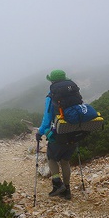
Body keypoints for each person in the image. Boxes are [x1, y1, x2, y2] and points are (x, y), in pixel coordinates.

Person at [36, 69, 81, 200]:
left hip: (60, 132)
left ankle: (57, 184)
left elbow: (47, 117)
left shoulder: (51, 96)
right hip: (75, 131)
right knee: (65, 161)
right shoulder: (73, 92)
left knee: (51, 157)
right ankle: (67, 190)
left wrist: (40, 132)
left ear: (52, 81)